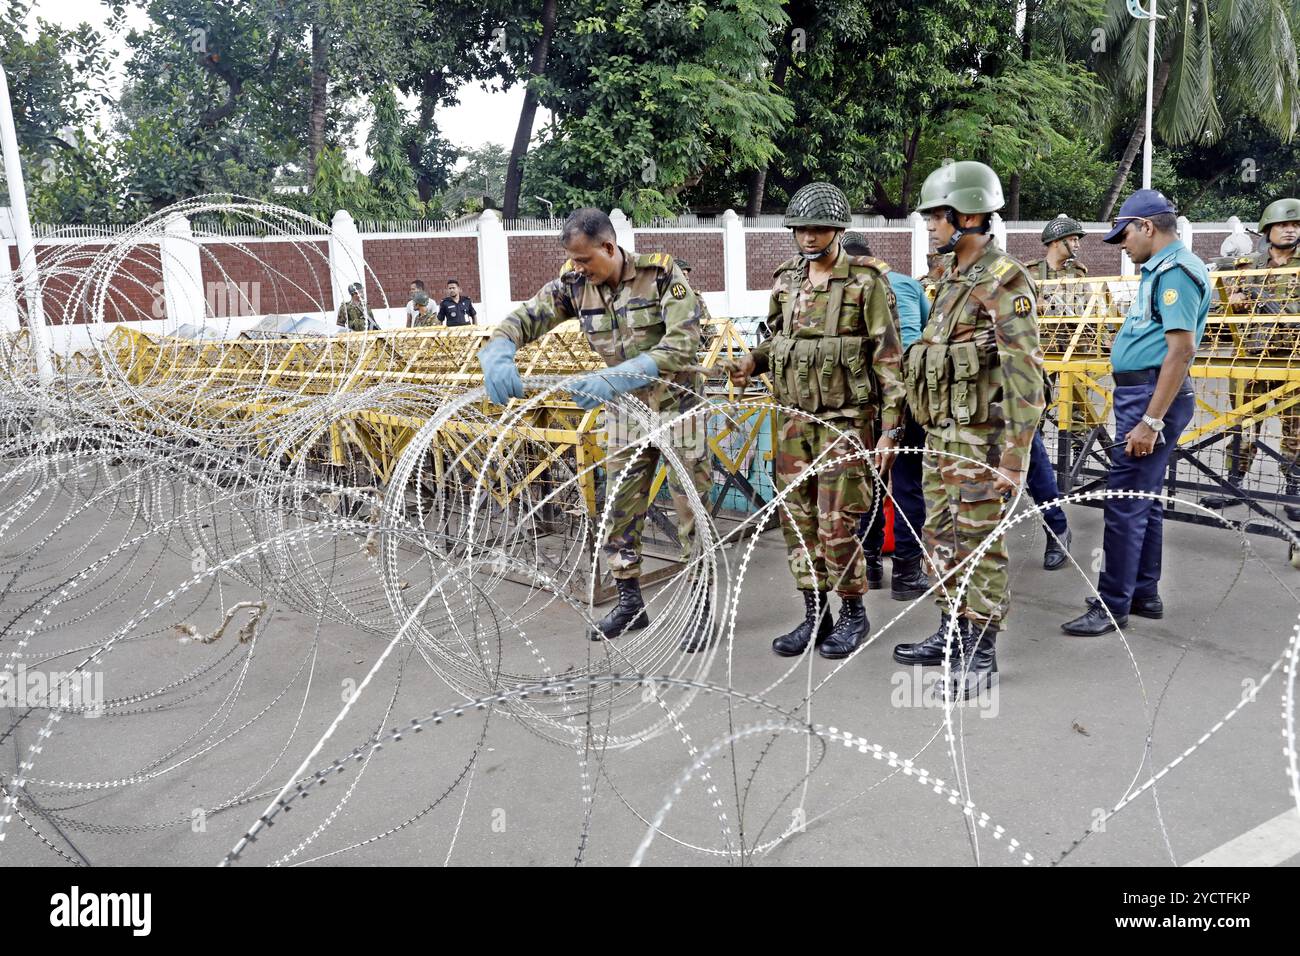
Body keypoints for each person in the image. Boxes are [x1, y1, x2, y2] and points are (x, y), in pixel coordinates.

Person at [476, 208, 713, 651]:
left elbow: (683, 344)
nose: (579, 269)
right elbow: (527, 317)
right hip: (623, 413)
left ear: (608, 247)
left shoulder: (661, 274)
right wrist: (499, 346)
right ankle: (630, 602)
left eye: (585, 260)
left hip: (678, 409)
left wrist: (620, 374)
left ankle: (699, 605)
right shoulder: (575, 285)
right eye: (575, 262)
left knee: (691, 511)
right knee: (619, 509)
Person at [724, 184, 905, 660]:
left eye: (818, 229)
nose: (808, 237)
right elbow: (777, 341)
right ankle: (814, 613)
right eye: (801, 229)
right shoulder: (786, 280)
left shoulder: (866, 282)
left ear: (839, 230)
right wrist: (752, 364)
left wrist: (890, 430)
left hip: (845, 422)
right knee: (798, 523)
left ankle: (852, 613)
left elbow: (889, 359)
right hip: (791, 422)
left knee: (836, 523)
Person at [890, 160, 1044, 698]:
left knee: (979, 542)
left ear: (968, 216)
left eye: (936, 216)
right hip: (940, 437)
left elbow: (1026, 374)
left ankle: (982, 651)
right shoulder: (951, 282)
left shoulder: (1003, 280)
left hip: (980, 439)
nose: (930, 226)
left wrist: (1015, 457)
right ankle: (951, 630)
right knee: (941, 538)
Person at [1061, 189, 1209, 636]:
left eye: (1124, 235)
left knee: (1124, 502)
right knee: (1143, 499)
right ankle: (1143, 591)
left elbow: (1181, 351)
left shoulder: (1175, 273)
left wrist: (1151, 420)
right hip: (1143, 391)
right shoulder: (1160, 270)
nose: (1121, 245)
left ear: (1146, 227)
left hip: (1148, 397)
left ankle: (1112, 604)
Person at [840, 230, 931, 600]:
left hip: (866, 395)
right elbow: (923, 329)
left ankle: (873, 563)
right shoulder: (907, 283)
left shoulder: (844, 288)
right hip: (907, 389)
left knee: (870, 480)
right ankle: (907, 573)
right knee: (908, 480)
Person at [1201, 198, 1300, 519]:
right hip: (1251, 359)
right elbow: (1218, 311)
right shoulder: (1246, 267)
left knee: (1296, 429)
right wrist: (1236, 300)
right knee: (1243, 425)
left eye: (1296, 225)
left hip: (1293, 360)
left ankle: (1295, 490)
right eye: (1284, 224)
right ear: (1267, 229)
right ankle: (1234, 484)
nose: (1290, 230)